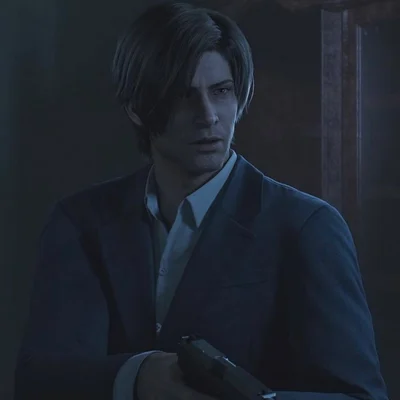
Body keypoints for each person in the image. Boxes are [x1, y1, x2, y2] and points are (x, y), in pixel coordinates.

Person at [14, 2, 388, 400]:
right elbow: (42, 381)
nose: (208, 115)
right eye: (183, 95)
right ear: (138, 108)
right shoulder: (81, 223)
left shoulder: (305, 227)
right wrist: (137, 377)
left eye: (221, 91)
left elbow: (358, 396)